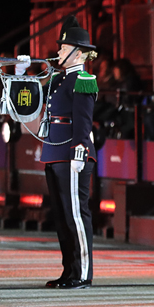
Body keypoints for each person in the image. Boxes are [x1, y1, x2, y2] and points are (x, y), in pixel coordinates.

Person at [34, 16, 99, 290]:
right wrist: (21, 73)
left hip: (71, 151)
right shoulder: (59, 80)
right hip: (54, 149)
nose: (59, 51)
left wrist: (79, 151)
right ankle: (69, 270)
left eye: (64, 47)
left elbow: (83, 121)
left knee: (76, 213)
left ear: (79, 52)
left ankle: (82, 272)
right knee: (61, 216)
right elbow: (31, 99)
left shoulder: (83, 80)